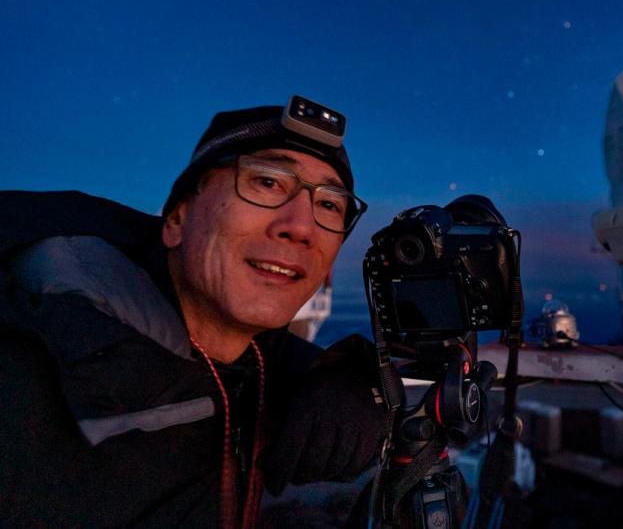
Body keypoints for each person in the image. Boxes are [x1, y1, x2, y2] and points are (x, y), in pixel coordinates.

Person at [0, 96, 392, 527]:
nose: (301, 226)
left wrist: (356, 379)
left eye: (330, 205)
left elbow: (280, 355)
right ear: (176, 221)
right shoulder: (23, 378)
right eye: (267, 182)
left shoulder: (249, 361)